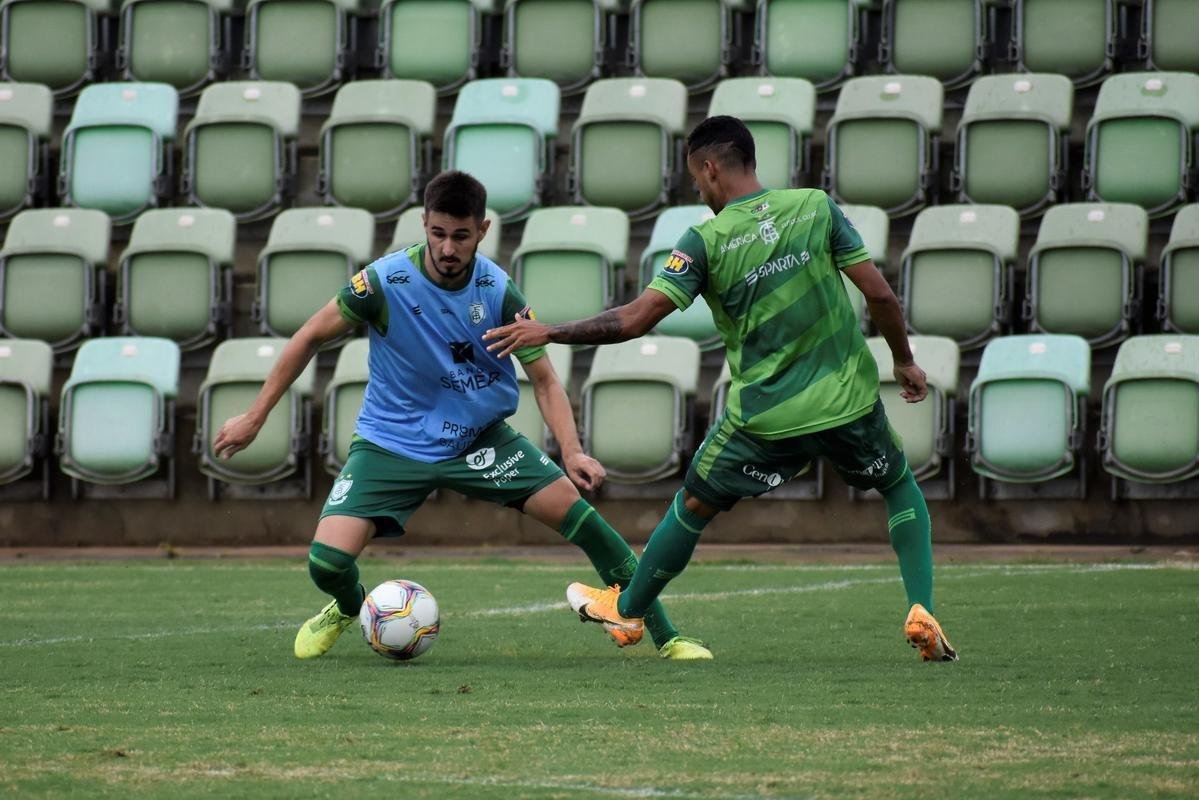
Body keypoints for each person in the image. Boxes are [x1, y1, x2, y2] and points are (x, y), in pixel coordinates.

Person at [484, 117, 957, 662]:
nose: (699, 191)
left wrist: (551, 331)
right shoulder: (815, 207)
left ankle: (629, 610)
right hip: (846, 400)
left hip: (766, 416)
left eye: (696, 180)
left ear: (710, 168)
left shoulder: (704, 240)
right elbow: (880, 297)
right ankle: (921, 608)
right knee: (898, 485)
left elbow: (636, 320)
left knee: (693, 505)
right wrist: (903, 360)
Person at [213, 170, 711, 661]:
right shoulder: (384, 281)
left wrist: (573, 449)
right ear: (424, 223)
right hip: (393, 441)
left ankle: (669, 638)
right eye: (437, 233)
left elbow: (543, 378)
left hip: (480, 440)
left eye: (461, 236)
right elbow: (308, 337)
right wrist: (256, 417)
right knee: (326, 563)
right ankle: (346, 606)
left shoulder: (498, 292)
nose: (448, 248)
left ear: (483, 231)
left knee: (585, 521)